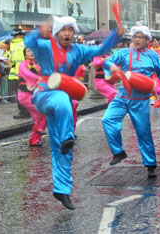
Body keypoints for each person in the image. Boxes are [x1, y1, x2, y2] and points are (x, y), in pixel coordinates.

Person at [24, 16, 123, 210]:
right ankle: (68, 137)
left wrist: (115, 36)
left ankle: (61, 190)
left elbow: (100, 50)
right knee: (63, 102)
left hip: (63, 96)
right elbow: (29, 42)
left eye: (70, 29)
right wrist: (38, 32)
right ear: (57, 32)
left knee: (62, 148)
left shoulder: (78, 50)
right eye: (63, 30)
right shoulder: (45, 46)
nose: (67, 33)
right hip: (44, 93)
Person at [101, 26, 160, 179]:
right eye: (135, 36)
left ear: (147, 40)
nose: (137, 40)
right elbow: (106, 62)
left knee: (143, 132)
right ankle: (118, 152)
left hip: (140, 100)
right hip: (122, 97)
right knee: (107, 120)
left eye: (141, 37)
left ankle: (150, 164)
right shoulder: (123, 53)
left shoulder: (152, 56)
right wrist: (111, 66)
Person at [18, 47, 46, 146]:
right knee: (43, 111)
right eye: (28, 51)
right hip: (25, 95)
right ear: (25, 55)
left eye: (32, 50)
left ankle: (34, 140)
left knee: (38, 117)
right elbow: (27, 74)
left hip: (33, 95)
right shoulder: (23, 65)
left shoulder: (37, 66)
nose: (31, 52)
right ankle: (38, 130)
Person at [8, 30, 31, 119]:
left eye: (15, 36)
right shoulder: (16, 45)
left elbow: (16, 60)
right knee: (24, 93)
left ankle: (24, 111)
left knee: (21, 94)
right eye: (13, 36)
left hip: (20, 73)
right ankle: (26, 111)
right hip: (20, 73)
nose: (14, 37)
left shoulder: (19, 45)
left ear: (21, 36)